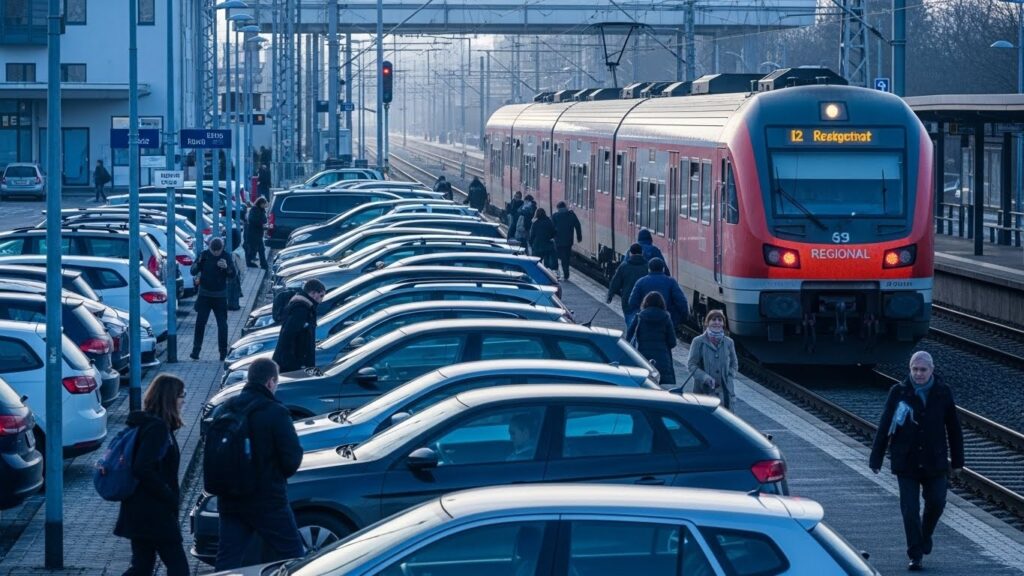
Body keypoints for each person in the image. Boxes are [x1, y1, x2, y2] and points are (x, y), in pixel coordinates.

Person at [869, 351, 964, 572]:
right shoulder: (899, 392)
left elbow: (954, 428)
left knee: (937, 502)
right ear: (910, 370)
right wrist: (876, 458)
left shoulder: (943, 392)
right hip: (907, 462)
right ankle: (915, 554)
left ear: (931, 370)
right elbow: (885, 426)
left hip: (935, 461)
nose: (919, 374)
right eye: (915, 369)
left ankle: (926, 534)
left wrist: (958, 461)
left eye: (923, 370)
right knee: (909, 510)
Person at [214, 358, 305, 570]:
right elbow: (291, 459)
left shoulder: (227, 408)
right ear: (270, 382)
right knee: (293, 555)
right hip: (268, 499)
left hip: (231, 499)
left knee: (228, 560)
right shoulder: (276, 412)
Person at [113, 374, 188, 576]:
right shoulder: (157, 429)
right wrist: (167, 494)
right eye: (182, 395)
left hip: (140, 510)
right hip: (154, 512)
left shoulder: (148, 424)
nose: (184, 401)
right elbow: (142, 467)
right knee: (178, 567)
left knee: (142, 567)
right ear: (169, 398)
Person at [189, 237, 236, 361]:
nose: (215, 253)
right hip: (204, 295)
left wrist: (227, 267)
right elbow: (193, 271)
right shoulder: (204, 255)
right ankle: (196, 351)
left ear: (222, 248)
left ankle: (223, 353)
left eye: (218, 251)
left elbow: (233, 275)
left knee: (222, 325)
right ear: (209, 247)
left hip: (220, 296)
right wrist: (198, 263)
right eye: (213, 250)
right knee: (200, 324)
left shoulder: (226, 256)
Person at [687, 310, 739, 408]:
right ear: (707, 323)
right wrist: (705, 377)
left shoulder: (729, 342)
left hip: (725, 393)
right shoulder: (698, 341)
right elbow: (691, 365)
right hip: (703, 392)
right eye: (713, 319)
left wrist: (729, 376)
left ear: (723, 324)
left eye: (720, 320)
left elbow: (734, 363)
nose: (717, 322)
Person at [272, 279, 327, 373]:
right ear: (313, 293)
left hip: (294, 363)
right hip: (293, 366)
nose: (321, 300)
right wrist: (299, 364)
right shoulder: (301, 310)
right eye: (321, 296)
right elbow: (288, 336)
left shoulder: (305, 307)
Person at [625, 292, 677, 386]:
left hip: (642, 358)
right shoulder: (666, 318)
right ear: (662, 304)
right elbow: (672, 342)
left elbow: (629, 336)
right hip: (662, 360)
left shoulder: (639, 317)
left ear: (645, 303)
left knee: (644, 384)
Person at [628, 257, 688, 328]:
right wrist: (683, 317)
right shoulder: (671, 282)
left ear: (649, 269)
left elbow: (632, 302)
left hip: (646, 320)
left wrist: (640, 314)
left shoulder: (640, 282)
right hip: (666, 320)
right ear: (663, 269)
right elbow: (681, 301)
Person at [607, 243, 649, 329]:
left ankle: (631, 340)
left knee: (630, 326)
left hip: (628, 301)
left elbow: (615, 283)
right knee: (643, 326)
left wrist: (610, 295)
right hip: (644, 301)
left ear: (630, 253)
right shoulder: (647, 267)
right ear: (642, 253)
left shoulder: (624, 266)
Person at [551, 201, 582, 280]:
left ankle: (558, 272)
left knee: (557, 257)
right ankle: (566, 273)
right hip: (568, 240)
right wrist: (579, 236)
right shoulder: (571, 215)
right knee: (566, 258)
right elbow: (577, 225)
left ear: (558, 208)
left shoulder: (555, 216)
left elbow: (551, 228)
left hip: (557, 240)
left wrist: (551, 236)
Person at [245, 197, 269, 269]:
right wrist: (262, 225)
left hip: (257, 233)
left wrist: (263, 224)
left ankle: (263, 264)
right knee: (254, 249)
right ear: (261, 203)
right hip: (253, 234)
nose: (265, 205)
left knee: (259, 249)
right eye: (264, 204)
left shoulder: (261, 210)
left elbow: (264, 220)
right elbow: (253, 220)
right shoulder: (255, 210)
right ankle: (261, 264)